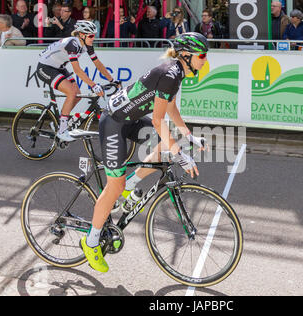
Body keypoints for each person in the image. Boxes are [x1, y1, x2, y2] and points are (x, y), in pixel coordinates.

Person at [81, 32, 209, 273]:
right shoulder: (171, 74)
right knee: (114, 187)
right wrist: (180, 155)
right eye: (202, 55)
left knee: (168, 143)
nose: (204, 60)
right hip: (113, 124)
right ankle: (91, 242)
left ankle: (133, 180)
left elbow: (169, 106)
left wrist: (188, 135)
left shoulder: (176, 72)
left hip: (130, 119)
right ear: (186, 55)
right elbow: (159, 120)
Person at [36, 20, 117, 142]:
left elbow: (97, 63)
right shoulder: (72, 44)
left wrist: (112, 80)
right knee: (71, 93)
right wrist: (93, 85)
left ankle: (60, 122)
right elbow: (78, 70)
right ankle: (62, 130)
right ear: (81, 35)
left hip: (59, 67)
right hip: (45, 67)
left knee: (77, 95)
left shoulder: (87, 44)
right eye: (90, 36)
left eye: (94, 35)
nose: (93, 38)